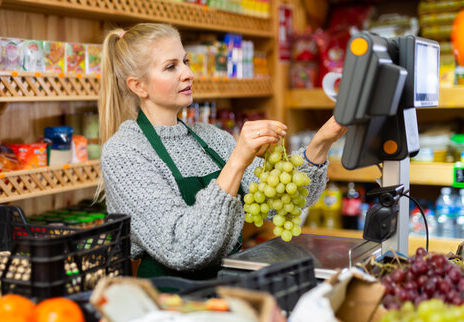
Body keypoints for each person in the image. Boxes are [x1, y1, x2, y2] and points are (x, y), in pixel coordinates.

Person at [98, 23, 346, 279]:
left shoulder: (212, 138)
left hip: (228, 286)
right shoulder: (124, 153)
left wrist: (322, 142)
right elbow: (183, 248)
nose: (188, 73)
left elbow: (284, 204)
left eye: (185, 61)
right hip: (171, 302)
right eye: (171, 67)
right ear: (138, 86)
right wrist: (237, 162)